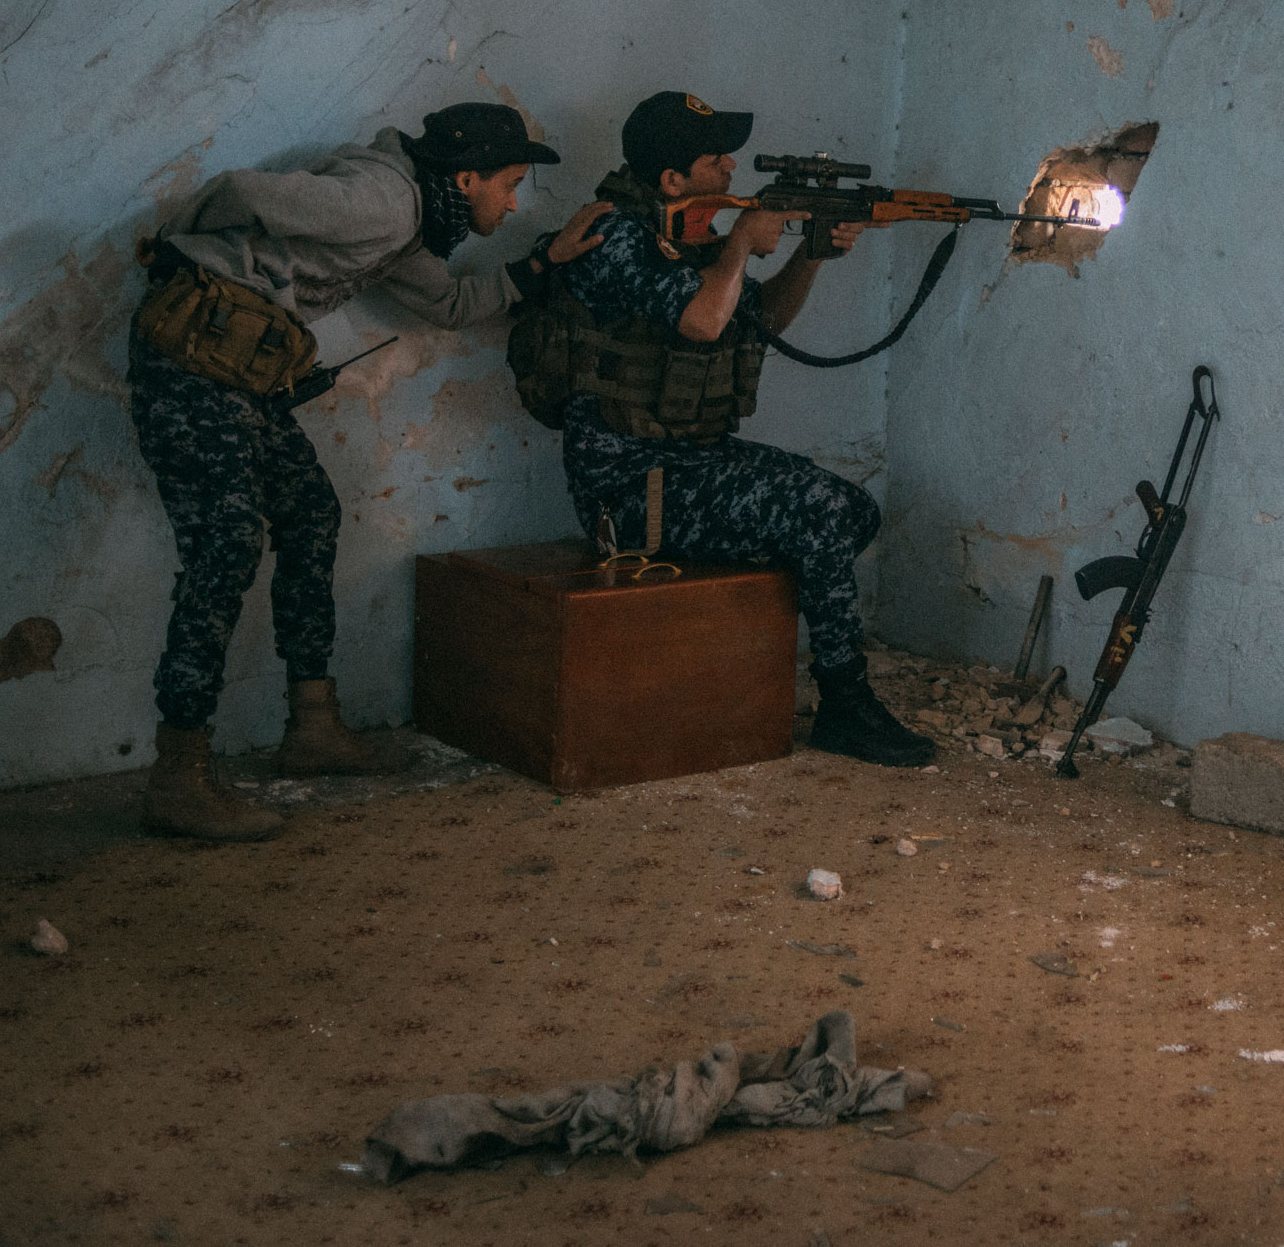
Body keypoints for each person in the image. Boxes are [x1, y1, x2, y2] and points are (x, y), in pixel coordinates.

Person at [129, 102, 606, 840]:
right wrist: (179, 249)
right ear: (466, 173)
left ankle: (313, 725)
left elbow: (447, 302)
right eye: (509, 183)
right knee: (225, 543)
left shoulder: (405, 221)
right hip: (192, 355)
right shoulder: (386, 202)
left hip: (234, 366)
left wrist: (542, 264)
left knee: (310, 511)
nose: (513, 201)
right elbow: (244, 191)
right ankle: (178, 771)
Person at [547, 90, 932, 767]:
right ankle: (844, 701)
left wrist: (808, 254)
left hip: (692, 460)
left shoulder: (690, 233)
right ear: (672, 180)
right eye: (714, 157)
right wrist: (739, 250)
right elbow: (702, 320)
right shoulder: (616, 237)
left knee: (852, 509)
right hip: (630, 488)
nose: (731, 165)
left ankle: (747, 664)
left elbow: (763, 321)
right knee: (815, 515)